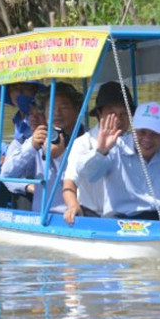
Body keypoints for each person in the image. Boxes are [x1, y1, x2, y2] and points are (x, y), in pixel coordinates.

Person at [1, 82, 85, 213]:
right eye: (50, 108)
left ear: (77, 109)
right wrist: (31, 147)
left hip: (78, 216)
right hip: (42, 219)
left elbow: (90, 180)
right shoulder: (38, 139)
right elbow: (6, 174)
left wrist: (61, 156)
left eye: (64, 107)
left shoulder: (89, 140)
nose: (57, 113)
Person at [62, 81, 136, 224]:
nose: (118, 120)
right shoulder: (83, 143)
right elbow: (69, 183)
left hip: (128, 216)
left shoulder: (136, 142)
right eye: (112, 114)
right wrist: (72, 206)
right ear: (99, 113)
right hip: (92, 216)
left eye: (124, 114)